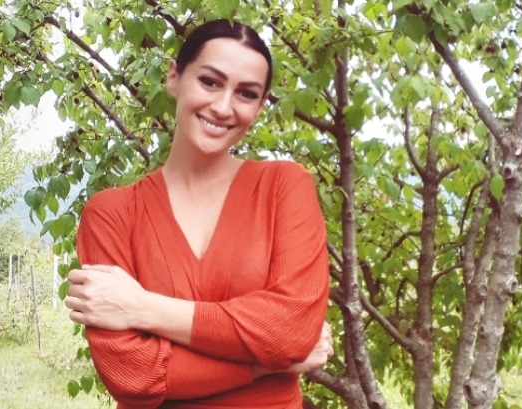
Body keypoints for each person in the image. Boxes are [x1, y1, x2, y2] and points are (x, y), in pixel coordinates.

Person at [63, 19, 332, 409]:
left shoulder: (285, 187)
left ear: (260, 106)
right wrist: (267, 363)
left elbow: (292, 331)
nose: (223, 107)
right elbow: (133, 377)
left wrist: (143, 308)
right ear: (174, 77)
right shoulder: (112, 214)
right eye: (210, 82)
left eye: (246, 93)